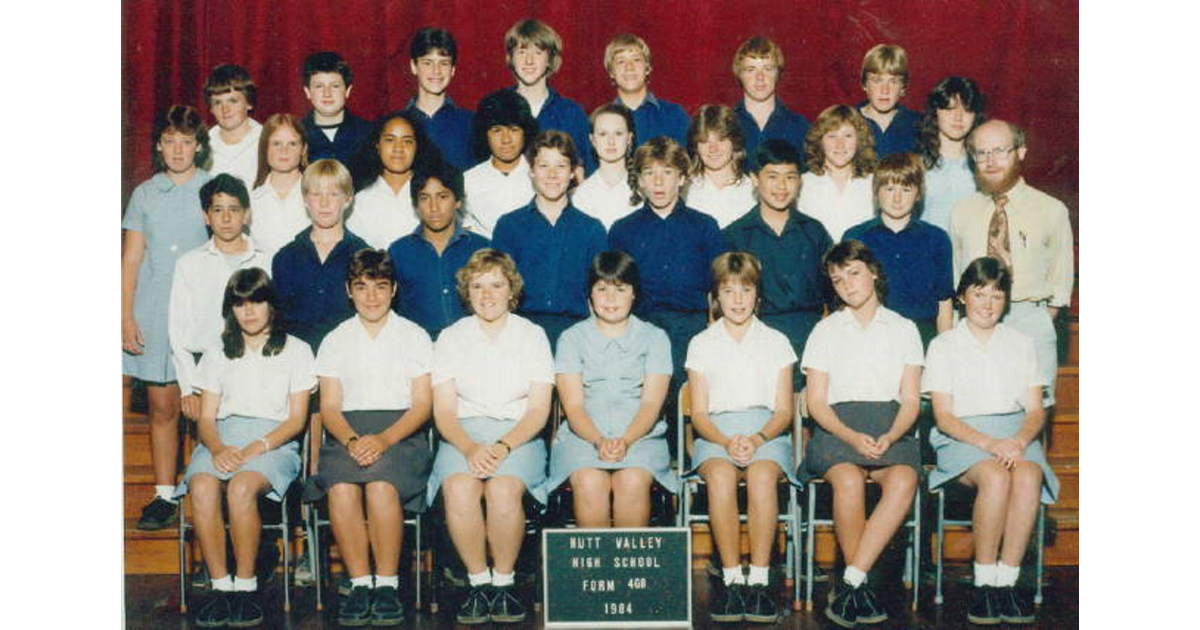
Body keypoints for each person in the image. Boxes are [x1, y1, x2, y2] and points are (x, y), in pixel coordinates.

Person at [923, 257, 1060, 626]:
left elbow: (1035, 410)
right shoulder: (944, 345)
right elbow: (944, 417)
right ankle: (983, 582)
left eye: (996, 296)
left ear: (1006, 301)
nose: (987, 304)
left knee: (1029, 476)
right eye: (978, 293)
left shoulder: (1021, 343)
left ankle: (1007, 582)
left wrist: (1016, 440)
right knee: (996, 477)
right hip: (963, 435)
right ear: (963, 297)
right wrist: (989, 443)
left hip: (1015, 432)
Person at [177, 268, 314, 628]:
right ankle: (221, 588)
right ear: (230, 309)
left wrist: (258, 446)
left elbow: (297, 420)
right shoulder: (218, 352)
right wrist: (218, 447)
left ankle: (246, 586)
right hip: (222, 437)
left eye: (257, 301)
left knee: (240, 487)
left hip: (274, 442)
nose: (248, 311)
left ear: (272, 304)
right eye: (239, 304)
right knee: (203, 486)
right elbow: (206, 418)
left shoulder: (296, 350)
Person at [304, 249, 434, 627]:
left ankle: (388, 585)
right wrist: (352, 440)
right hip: (347, 434)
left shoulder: (414, 335)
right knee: (342, 488)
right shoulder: (335, 339)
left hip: (401, 434)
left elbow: (422, 405)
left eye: (380, 287)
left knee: (380, 485)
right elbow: (329, 408)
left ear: (393, 290)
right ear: (349, 290)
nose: (371, 297)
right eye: (361, 287)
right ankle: (361, 583)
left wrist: (383, 440)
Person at [427, 249, 554, 625]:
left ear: (511, 290)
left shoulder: (532, 335)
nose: (487, 294)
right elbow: (445, 411)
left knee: (502, 489)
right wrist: (468, 447)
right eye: (478, 286)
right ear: (467, 291)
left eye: (496, 285)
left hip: (518, 436)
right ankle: (478, 583)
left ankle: (503, 584)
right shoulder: (451, 338)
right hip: (462, 434)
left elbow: (538, 410)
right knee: (460, 488)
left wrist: (503, 445)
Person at [800, 240, 922, 628]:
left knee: (904, 478)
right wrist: (851, 437)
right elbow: (816, 403)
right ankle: (862, 586)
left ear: (873, 272)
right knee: (848, 480)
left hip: (891, 426)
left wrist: (891, 434)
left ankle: (851, 582)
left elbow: (911, 401)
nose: (847, 284)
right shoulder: (825, 330)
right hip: (838, 428)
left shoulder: (904, 328)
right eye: (837, 280)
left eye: (853, 273)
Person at [685, 252, 798, 624]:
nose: (737, 299)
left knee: (763, 476)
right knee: (720, 476)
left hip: (767, 432)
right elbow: (699, 413)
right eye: (728, 290)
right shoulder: (701, 343)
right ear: (715, 296)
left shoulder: (777, 341)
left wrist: (757, 437)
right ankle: (733, 579)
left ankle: (761, 581)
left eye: (745, 290)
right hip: (715, 433)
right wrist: (726, 441)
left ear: (757, 296)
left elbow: (784, 410)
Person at [123, 104, 213, 531]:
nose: (178, 150)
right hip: (155, 308)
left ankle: (208, 487)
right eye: (171, 142)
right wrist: (124, 314)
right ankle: (163, 495)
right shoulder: (145, 193)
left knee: (204, 404)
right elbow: (132, 257)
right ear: (160, 146)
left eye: (187, 142)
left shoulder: (212, 190)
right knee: (162, 405)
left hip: (200, 310)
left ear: (199, 147)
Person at [949, 119, 1074, 407]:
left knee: (1032, 413)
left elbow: (1060, 281)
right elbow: (957, 274)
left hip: (1029, 320)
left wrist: (1037, 319)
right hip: (974, 323)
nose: (990, 161)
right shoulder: (961, 212)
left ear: (1020, 152)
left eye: (1000, 151)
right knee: (976, 407)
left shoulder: (1052, 210)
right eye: (981, 153)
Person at [547, 251, 675, 526]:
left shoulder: (656, 338)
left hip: (641, 438)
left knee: (631, 480)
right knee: (589, 481)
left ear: (634, 294)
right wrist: (598, 441)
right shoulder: (570, 339)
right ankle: (596, 570)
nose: (610, 298)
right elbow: (574, 406)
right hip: (583, 438)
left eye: (620, 289)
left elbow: (651, 404)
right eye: (601, 289)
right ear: (590, 295)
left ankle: (627, 570)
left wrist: (626, 440)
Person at [609, 136, 729, 418]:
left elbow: (718, 284)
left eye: (667, 173)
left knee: (687, 400)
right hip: (640, 326)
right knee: (642, 401)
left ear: (682, 178)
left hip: (690, 325)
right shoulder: (623, 230)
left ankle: (688, 456)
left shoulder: (705, 226)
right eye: (650, 174)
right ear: (639, 180)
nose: (659, 182)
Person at [724, 140, 832, 390]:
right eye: (772, 176)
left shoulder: (814, 232)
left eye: (790, 177)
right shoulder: (736, 236)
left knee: (807, 415)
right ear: (754, 179)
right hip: (756, 338)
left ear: (800, 181)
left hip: (809, 338)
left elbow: (831, 297)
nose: (782, 187)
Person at [169, 173, 272, 424]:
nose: (226, 218)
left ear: (246, 214)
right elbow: (178, 332)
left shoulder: (267, 260)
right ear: (206, 216)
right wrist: (189, 388)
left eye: (234, 210)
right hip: (205, 374)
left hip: (257, 371)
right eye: (217, 210)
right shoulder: (189, 264)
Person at [492, 130, 607, 349]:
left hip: (577, 334)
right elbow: (498, 290)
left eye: (561, 166)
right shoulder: (509, 226)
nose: (552, 175)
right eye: (544, 166)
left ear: (573, 172)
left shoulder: (592, 229)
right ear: (531, 171)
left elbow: (599, 293)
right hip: (521, 334)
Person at [845, 152, 954, 346]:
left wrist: (945, 351)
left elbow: (944, 303)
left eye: (906, 189)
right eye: (889, 189)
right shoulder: (856, 237)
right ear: (876, 193)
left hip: (922, 337)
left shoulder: (937, 239)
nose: (897, 198)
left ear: (918, 194)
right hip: (870, 338)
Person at [271, 159, 369, 351]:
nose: (324, 203)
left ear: (348, 199)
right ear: (305, 200)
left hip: (348, 356)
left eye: (333, 194)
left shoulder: (363, 254)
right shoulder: (285, 257)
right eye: (316, 194)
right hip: (297, 361)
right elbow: (278, 321)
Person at [388, 160, 490, 339]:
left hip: (473, 346)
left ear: (458, 201)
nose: (433, 208)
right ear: (416, 204)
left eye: (442, 197)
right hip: (418, 350)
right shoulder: (399, 252)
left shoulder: (482, 249)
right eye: (424, 198)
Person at [503, 18, 594, 175]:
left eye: (538, 53)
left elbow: (586, 172)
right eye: (522, 52)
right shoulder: (497, 108)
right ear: (511, 58)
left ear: (550, 60)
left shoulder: (572, 113)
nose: (529, 61)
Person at [347, 111, 442, 249]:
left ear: (417, 147)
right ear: (377, 145)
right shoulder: (359, 200)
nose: (398, 148)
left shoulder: (431, 195)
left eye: (407, 141)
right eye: (390, 140)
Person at [462, 89, 539, 239]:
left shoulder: (540, 176)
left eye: (513, 130)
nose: (506, 140)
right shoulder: (469, 180)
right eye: (497, 131)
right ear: (485, 134)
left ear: (525, 132)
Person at [915, 76, 987, 233]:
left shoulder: (984, 164)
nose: (958, 117)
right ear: (936, 112)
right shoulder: (916, 164)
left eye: (967, 110)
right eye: (950, 108)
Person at [799, 104, 877, 241]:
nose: (840, 144)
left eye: (847, 136)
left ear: (859, 140)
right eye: (832, 136)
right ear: (819, 141)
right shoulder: (802, 184)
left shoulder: (874, 183)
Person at [402, 27, 475, 171]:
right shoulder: (398, 124)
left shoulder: (471, 123)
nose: (436, 71)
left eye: (444, 63)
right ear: (413, 66)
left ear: (453, 69)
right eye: (427, 63)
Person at [731, 37, 809, 171]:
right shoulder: (727, 124)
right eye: (751, 69)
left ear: (778, 73)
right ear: (739, 75)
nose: (760, 77)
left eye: (768, 68)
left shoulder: (800, 126)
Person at [603, 33, 689, 147]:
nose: (629, 67)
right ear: (611, 72)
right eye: (621, 61)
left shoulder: (675, 115)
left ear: (648, 68)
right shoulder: (600, 121)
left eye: (636, 59)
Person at [685, 104, 757, 229]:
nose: (713, 149)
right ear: (696, 146)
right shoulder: (684, 190)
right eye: (704, 141)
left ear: (734, 142)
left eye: (721, 140)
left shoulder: (754, 191)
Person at [249, 113, 311, 258]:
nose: (284, 150)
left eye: (292, 144)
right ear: (265, 148)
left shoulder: (318, 196)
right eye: (276, 143)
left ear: (303, 149)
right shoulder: (251, 200)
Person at [572, 103, 640, 229]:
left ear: (629, 138)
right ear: (592, 140)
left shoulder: (643, 190)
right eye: (603, 134)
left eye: (618, 133)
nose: (611, 141)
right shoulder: (582, 195)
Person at [301, 51, 372, 166]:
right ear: (307, 92)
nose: (327, 93)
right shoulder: (297, 133)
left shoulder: (368, 133)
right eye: (319, 86)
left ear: (348, 90)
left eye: (335, 86)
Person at [857, 44, 921, 157]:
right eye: (877, 81)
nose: (885, 90)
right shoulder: (847, 120)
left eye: (893, 82)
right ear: (864, 84)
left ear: (903, 87)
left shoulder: (919, 124)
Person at [204, 64, 262, 186]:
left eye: (233, 101)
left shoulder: (265, 140)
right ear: (211, 108)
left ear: (249, 103)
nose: (225, 109)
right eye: (218, 103)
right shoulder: (204, 143)